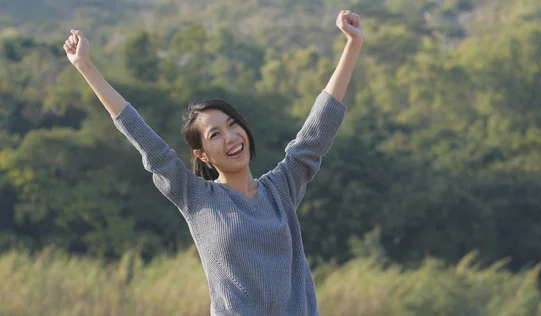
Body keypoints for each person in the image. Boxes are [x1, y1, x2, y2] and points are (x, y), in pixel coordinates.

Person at [63, 9, 364, 316]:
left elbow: (318, 128)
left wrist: (352, 44)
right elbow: (143, 137)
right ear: (202, 155)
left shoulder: (281, 189)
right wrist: (86, 66)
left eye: (233, 125)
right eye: (216, 134)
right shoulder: (197, 198)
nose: (231, 137)